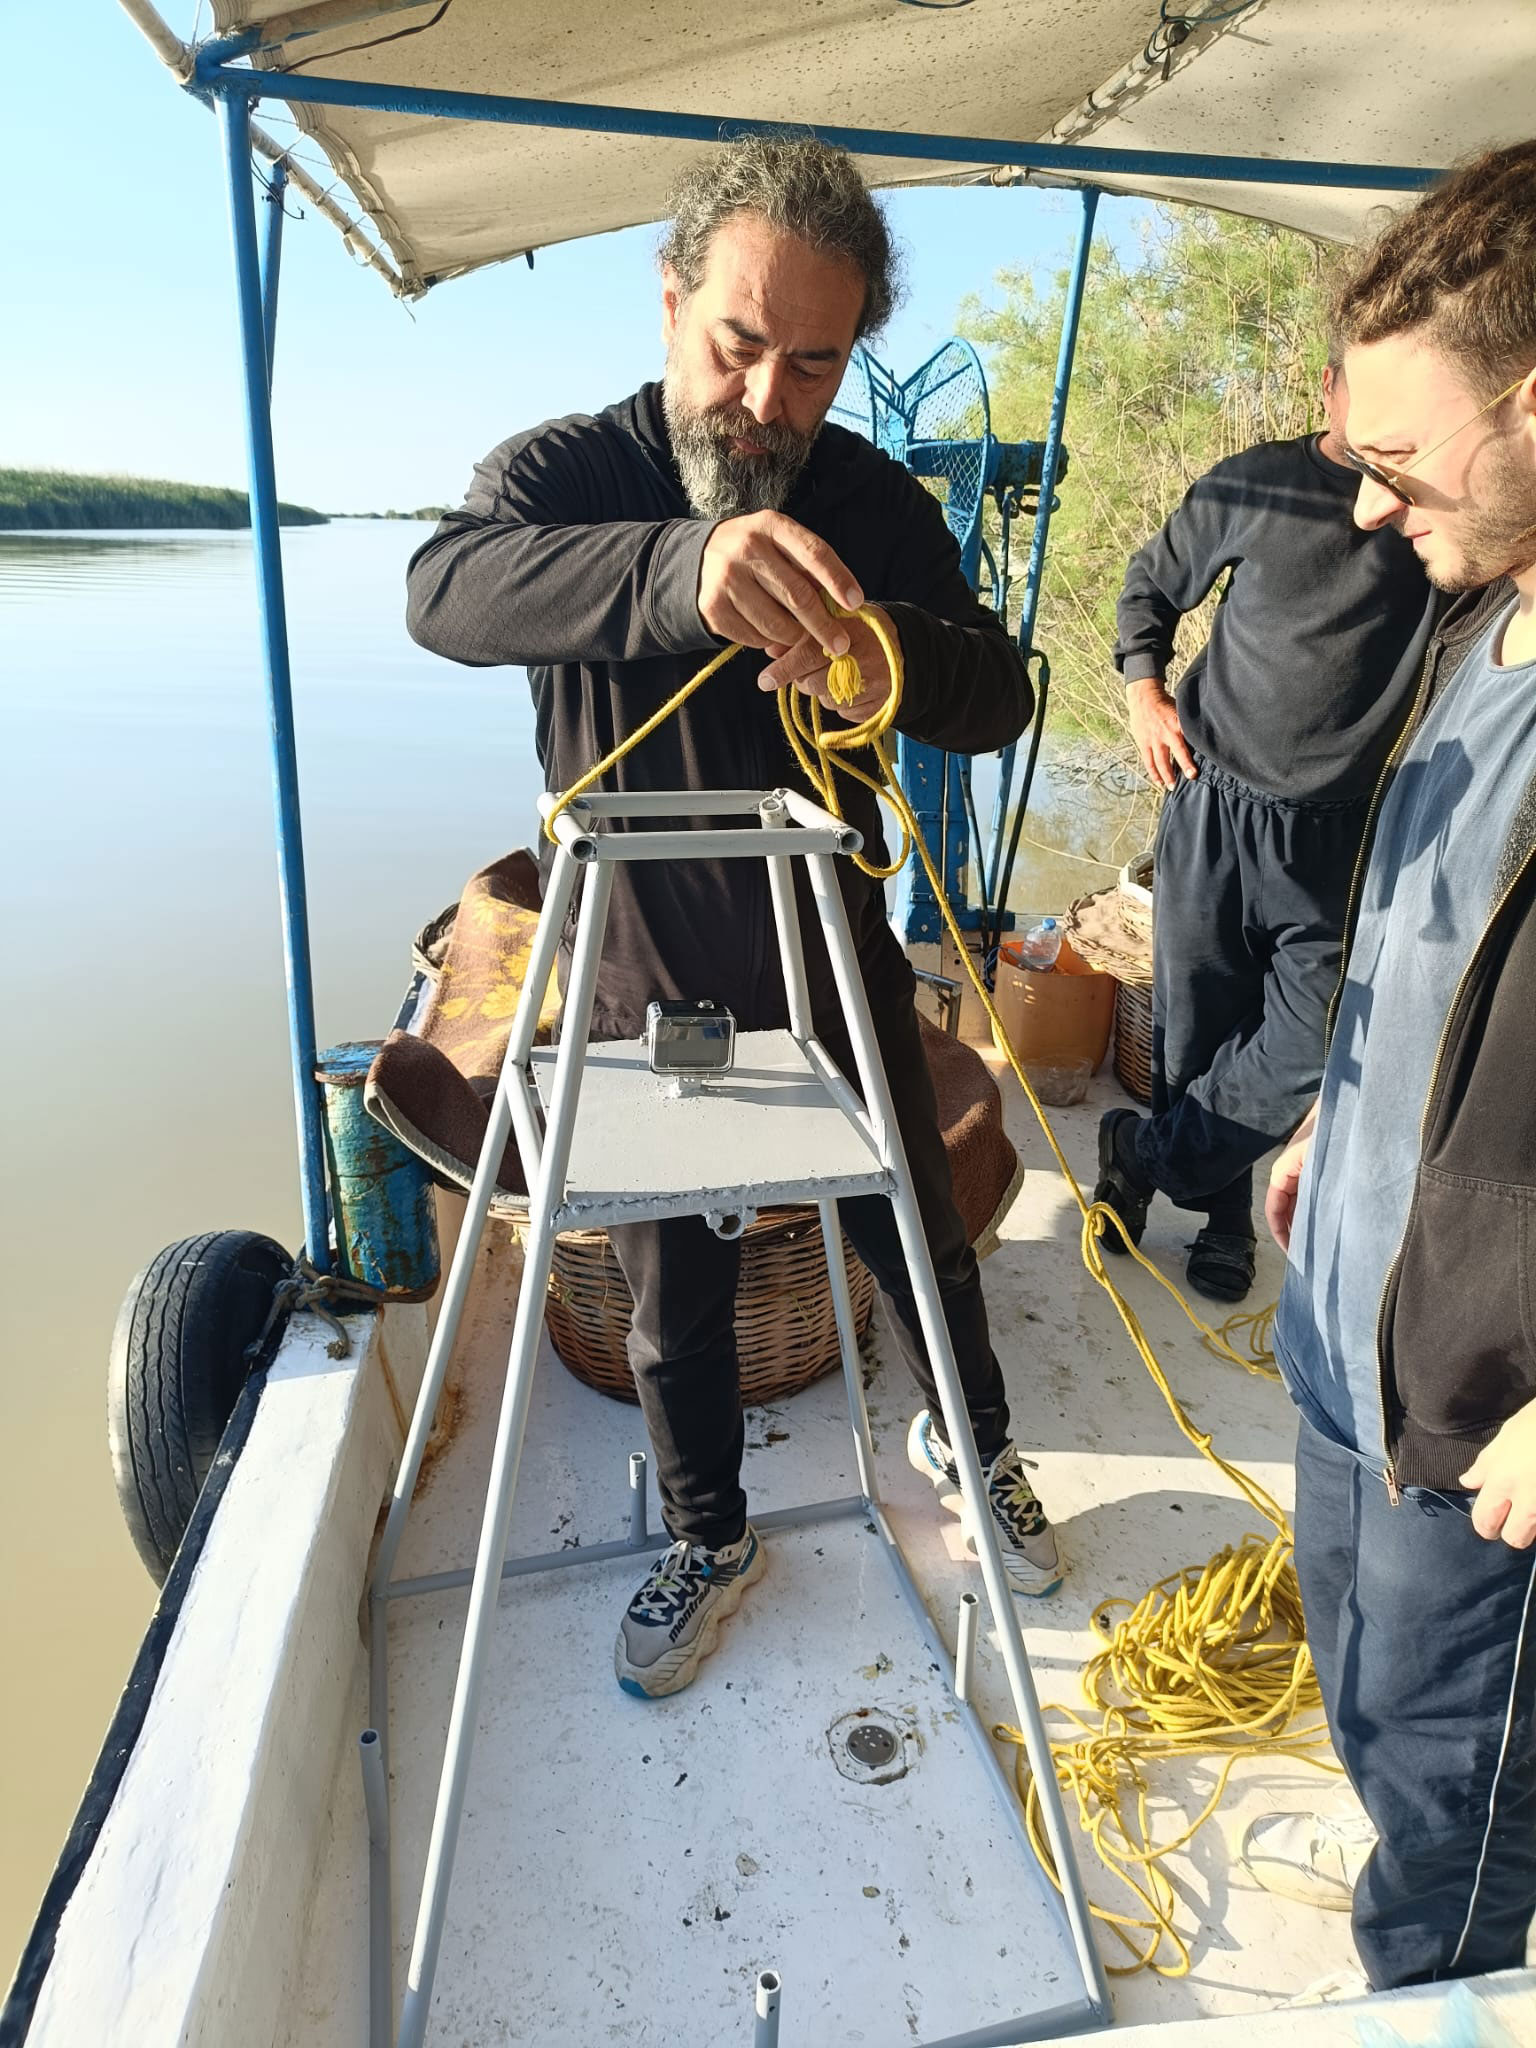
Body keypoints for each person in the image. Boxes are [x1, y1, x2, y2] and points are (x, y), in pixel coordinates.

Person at [406, 139, 1064, 1702]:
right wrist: (681, 568)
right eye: (740, 343)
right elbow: (445, 592)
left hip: (831, 949)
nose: (768, 399)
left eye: (814, 365)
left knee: (918, 1229)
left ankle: (974, 1448)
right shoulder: (571, 476)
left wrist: (889, 654)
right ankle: (709, 1534)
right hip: (637, 974)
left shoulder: (868, 499)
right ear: (670, 300)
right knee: (673, 1294)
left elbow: (997, 691)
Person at [1243, 139, 1536, 1996]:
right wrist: (1329, 1116)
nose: (1364, 507)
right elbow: (1432, 957)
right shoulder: (1481, 618)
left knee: (1451, 1829)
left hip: (1488, 1411)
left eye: (1398, 455)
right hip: (1350, 1334)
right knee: (1363, 1698)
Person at [1095, 364, 1435, 1301]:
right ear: (1330, 388)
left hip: (1338, 834)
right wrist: (1144, 695)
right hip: (1211, 801)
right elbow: (1151, 584)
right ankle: (1224, 1219)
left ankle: (1140, 1154)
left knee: (1311, 1042)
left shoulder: (1439, 512)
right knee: (1193, 1033)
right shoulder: (1258, 482)